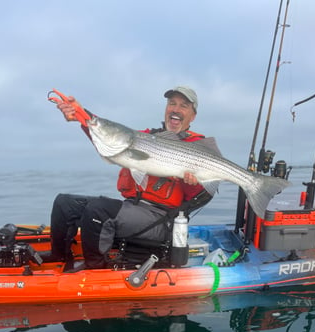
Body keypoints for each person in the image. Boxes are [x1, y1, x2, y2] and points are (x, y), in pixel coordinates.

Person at [45, 86, 217, 270]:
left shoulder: (198, 148)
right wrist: (80, 115)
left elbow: (201, 196)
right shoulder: (145, 137)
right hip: (132, 208)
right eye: (172, 103)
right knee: (64, 203)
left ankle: (95, 269)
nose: (176, 109)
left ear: (193, 116)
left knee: (98, 210)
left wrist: (191, 183)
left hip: (160, 220)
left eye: (183, 106)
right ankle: (58, 256)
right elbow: (112, 137)